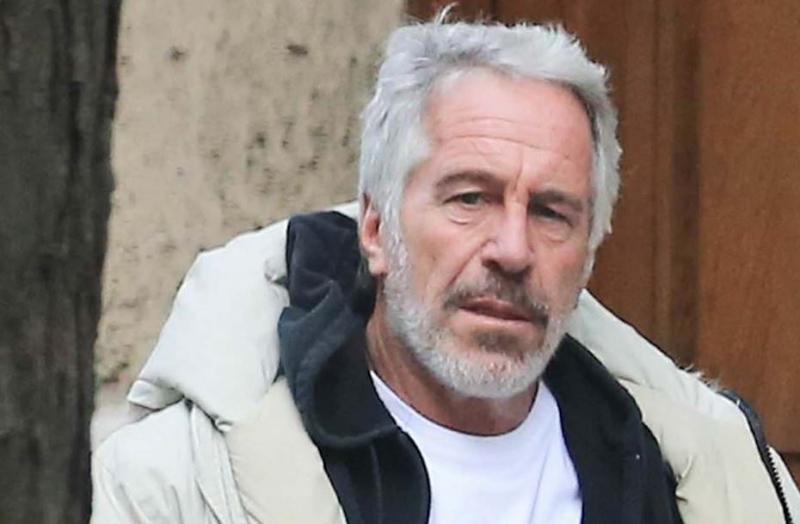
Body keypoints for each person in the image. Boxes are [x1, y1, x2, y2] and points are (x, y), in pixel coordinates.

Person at [92, 13, 800, 524]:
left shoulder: (712, 483)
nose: (512, 250)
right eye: (470, 199)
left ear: (588, 255)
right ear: (376, 229)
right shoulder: (180, 486)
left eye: (551, 212)